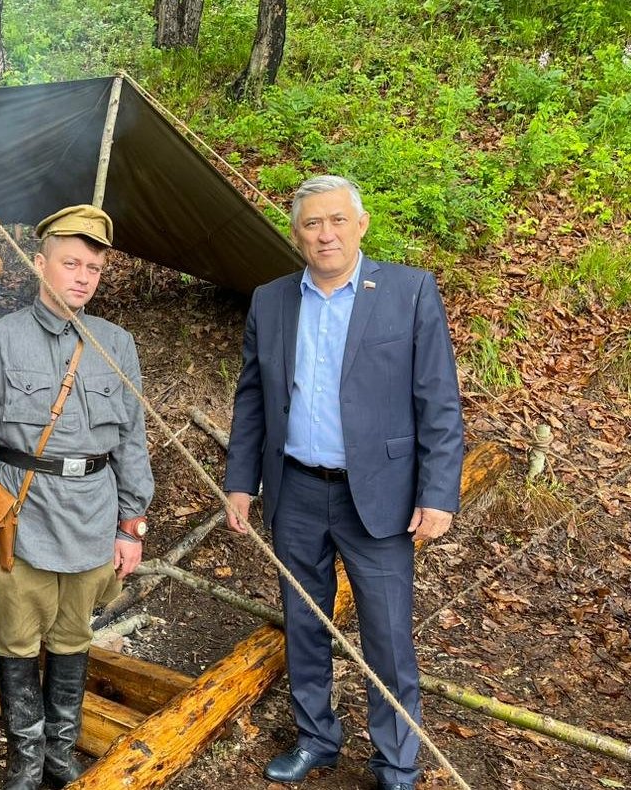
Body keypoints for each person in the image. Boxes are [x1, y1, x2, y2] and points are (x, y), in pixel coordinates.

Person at [223, 175, 464, 790]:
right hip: (296, 489)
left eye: (336, 220)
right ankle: (316, 739)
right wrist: (240, 481)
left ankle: (396, 761)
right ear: (296, 233)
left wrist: (437, 493)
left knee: (385, 633)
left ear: (360, 225)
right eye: (311, 223)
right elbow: (252, 400)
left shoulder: (409, 292)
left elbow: (438, 400)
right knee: (306, 622)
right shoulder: (272, 299)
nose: (324, 233)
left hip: (379, 497)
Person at [0, 204, 154, 790]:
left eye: (93, 267)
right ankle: (26, 758)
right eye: (70, 264)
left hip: (93, 516)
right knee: (16, 637)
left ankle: (60, 752)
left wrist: (131, 524)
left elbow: (131, 439)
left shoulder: (117, 344)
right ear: (40, 266)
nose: (82, 277)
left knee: (72, 636)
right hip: (19, 521)